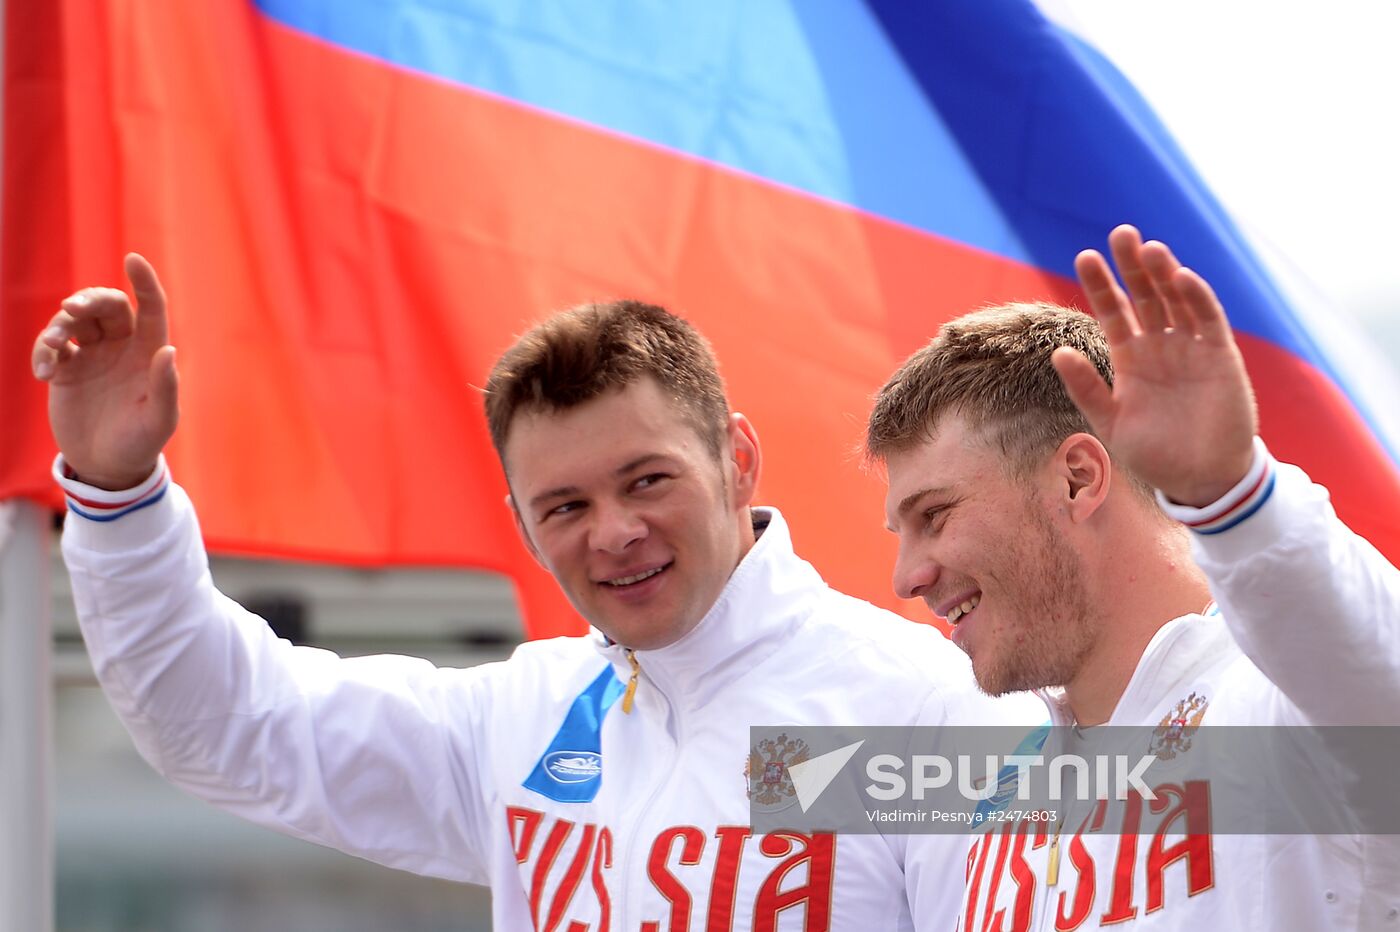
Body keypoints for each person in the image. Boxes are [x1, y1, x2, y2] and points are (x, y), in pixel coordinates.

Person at [31, 260, 1041, 930]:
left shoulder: (924, 712)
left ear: (736, 460)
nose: (613, 531)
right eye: (565, 505)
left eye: (647, 479)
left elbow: (1136, 828)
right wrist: (118, 492)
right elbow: (228, 722)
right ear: (521, 526)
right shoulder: (523, 718)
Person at [868, 225, 1400, 930]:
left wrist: (1231, 494)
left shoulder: (1281, 711)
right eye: (900, 534)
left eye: (934, 515)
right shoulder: (995, 810)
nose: (906, 578)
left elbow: (1369, 663)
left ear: (1077, 479)